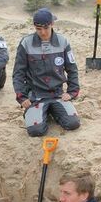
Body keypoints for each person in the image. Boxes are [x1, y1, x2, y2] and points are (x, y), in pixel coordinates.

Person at [13, 8, 81, 137]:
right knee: (36, 131)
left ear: (52, 24)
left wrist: (72, 92)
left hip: (57, 94)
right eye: (38, 29)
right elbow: (18, 73)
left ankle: (52, 110)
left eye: (46, 28)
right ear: (34, 27)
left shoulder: (63, 42)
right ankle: (38, 112)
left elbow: (72, 69)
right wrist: (21, 97)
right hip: (36, 95)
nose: (43, 32)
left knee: (73, 124)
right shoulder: (25, 43)